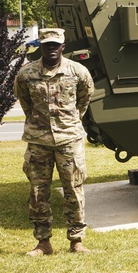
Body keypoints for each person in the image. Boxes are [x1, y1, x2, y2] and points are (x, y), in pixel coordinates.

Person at [14, 27, 95, 256]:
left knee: (74, 190)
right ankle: (43, 243)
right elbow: (25, 103)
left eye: (55, 45)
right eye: (47, 45)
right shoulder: (27, 74)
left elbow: (84, 100)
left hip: (69, 140)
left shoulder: (78, 72)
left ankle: (76, 240)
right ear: (41, 46)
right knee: (38, 192)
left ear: (62, 47)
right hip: (38, 142)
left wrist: (69, 123)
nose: (51, 49)